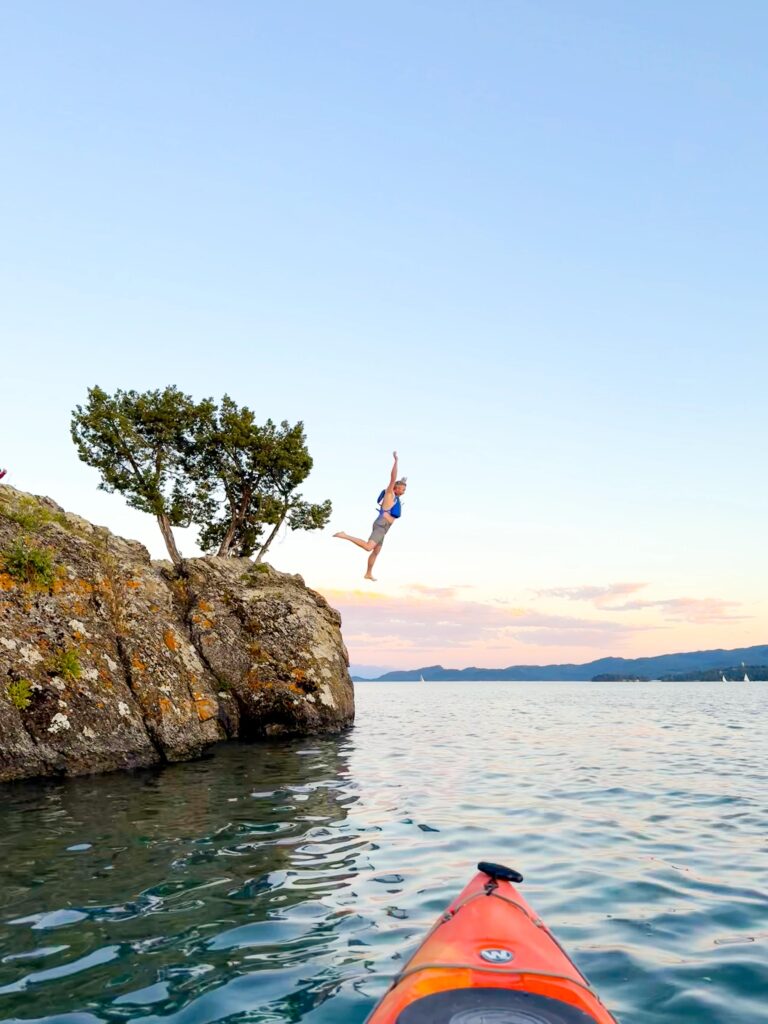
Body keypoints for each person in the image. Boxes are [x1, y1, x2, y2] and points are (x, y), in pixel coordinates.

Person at [334, 451, 407, 580]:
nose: (404, 491)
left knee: (376, 551)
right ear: (395, 488)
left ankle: (368, 573)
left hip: (385, 528)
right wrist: (396, 461)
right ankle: (344, 535)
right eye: (402, 488)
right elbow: (392, 477)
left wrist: (403, 480)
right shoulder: (389, 494)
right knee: (369, 547)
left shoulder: (397, 498)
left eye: (404, 489)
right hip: (381, 524)